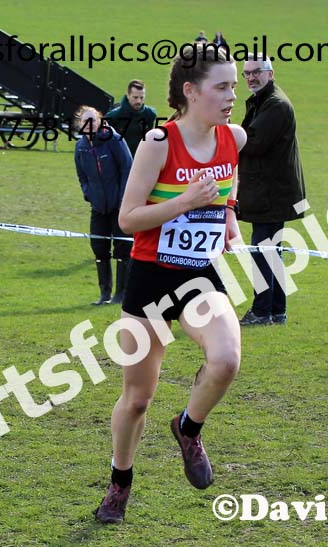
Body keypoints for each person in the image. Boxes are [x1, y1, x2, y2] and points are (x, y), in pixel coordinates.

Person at [94, 42, 246, 524]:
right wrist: (183, 202)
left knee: (225, 360)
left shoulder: (233, 138)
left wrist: (228, 218)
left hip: (201, 276)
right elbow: (127, 218)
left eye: (234, 87)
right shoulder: (159, 143)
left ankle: (188, 427)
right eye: (221, 87)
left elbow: (228, 185)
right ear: (190, 90)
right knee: (137, 398)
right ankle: (120, 482)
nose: (230, 97)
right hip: (152, 279)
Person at [236, 54, 306, 326]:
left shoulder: (275, 105)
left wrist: (223, 133)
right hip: (270, 191)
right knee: (270, 250)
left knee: (262, 250)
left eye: (257, 72)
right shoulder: (263, 101)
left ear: (271, 73)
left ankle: (262, 310)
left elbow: (252, 143)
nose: (252, 77)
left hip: (271, 193)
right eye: (247, 74)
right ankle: (277, 310)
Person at [74, 106, 133, 305]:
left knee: (123, 247)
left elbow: (127, 167)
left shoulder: (114, 140)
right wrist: (88, 193)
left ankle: (121, 294)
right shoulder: (80, 146)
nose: (88, 124)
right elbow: (81, 175)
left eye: (93, 120)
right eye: (84, 121)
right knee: (99, 246)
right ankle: (104, 293)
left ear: (99, 121)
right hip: (98, 207)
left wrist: (124, 198)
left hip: (119, 205)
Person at [104, 79, 158, 158]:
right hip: (120, 160)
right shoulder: (114, 116)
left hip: (141, 158)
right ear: (128, 95)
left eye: (141, 97)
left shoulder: (149, 114)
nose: (139, 101)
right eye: (135, 97)